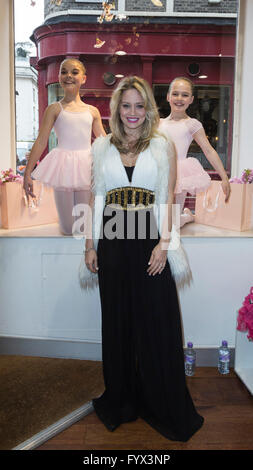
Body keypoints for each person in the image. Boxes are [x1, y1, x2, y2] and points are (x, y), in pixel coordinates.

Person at [83, 76, 204, 442]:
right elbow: (97, 196)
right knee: (117, 322)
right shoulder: (101, 146)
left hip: (149, 237)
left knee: (157, 321)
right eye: (126, 105)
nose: (133, 113)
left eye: (139, 105)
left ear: (148, 108)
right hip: (113, 239)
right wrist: (89, 245)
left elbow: (167, 196)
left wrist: (163, 243)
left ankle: (160, 401)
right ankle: (120, 399)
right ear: (117, 108)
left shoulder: (162, 145)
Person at [23, 58, 106, 235]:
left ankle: (87, 259)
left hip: (86, 165)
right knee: (68, 228)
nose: (68, 75)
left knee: (84, 227)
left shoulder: (92, 111)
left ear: (84, 78)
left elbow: (103, 142)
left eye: (74, 72)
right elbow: (41, 141)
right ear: (59, 76)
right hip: (63, 166)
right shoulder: (54, 109)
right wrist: (27, 174)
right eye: (64, 71)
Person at [159, 77, 231, 228]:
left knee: (172, 224)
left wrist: (224, 177)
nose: (179, 98)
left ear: (191, 99)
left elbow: (209, 150)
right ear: (168, 96)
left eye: (185, 95)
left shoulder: (192, 124)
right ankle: (184, 216)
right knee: (159, 219)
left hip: (180, 173)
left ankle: (187, 217)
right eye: (175, 94)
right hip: (159, 171)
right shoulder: (158, 123)